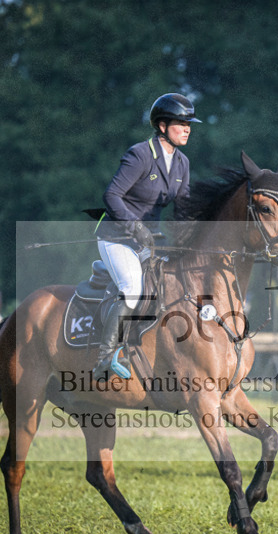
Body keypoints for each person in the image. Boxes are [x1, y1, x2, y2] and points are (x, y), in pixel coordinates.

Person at [92, 93, 200, 379]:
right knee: (132, 288)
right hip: (117, 237)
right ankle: (105, 356)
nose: (188, 128)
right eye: (181, 123)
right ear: (162, 126)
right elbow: (112, 195)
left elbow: (183, 207)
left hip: (151, 240)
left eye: (190, 123)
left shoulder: (182, 164)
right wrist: (134, 226)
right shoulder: (140, 154)